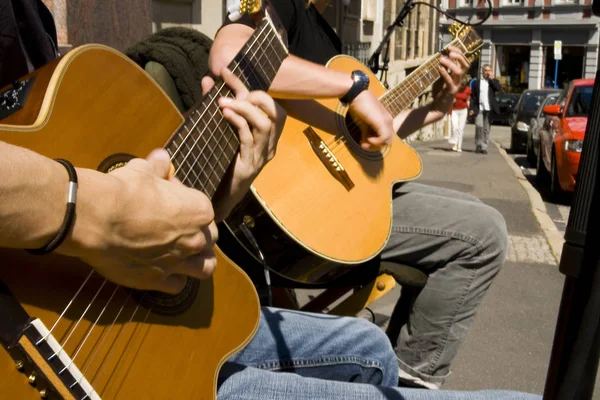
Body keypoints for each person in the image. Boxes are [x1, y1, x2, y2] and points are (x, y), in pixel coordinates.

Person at [1, 1, 540, 399]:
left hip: (97, 308)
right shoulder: (285, 12)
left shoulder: (33, 25)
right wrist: (90, 209)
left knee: (369, 347)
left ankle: (418, 380)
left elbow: (376, 140)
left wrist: (232, 185)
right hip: (49, 338)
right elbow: (230, 51)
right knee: (483, 243)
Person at [210, 0, 510, 391]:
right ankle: (411, 385)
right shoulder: (284, 7)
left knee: (473, 211)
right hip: (298, 200)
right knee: (483, 234)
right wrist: (352, 86)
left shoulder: (326, 31)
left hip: (344, 192)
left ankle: (400, 374)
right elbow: (230, 55)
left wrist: (434, 109)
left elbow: (369, 135)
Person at [469, 64, 501, 154]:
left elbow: (498, 88)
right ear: (482, 71)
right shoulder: (477, 82)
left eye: (489, 70)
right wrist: (471, 108)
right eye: (486, 70)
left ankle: (484, 147)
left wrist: (492, 79)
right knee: (479, 125)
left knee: (486, 128)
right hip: (479, 107)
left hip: (489, 108)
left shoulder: (493, 82)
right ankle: (478, 144)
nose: (487, 72)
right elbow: (473, 96)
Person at [449, 75, 472, 152]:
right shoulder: (455, 89)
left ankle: (459, 146)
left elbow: (468, 100)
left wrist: (470, 109)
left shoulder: (468, 90)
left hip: (463, 110)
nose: (461, 85)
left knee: (460, 129)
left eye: (463, 83)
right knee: (454, 127)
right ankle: (455, 143)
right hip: (455, 110)